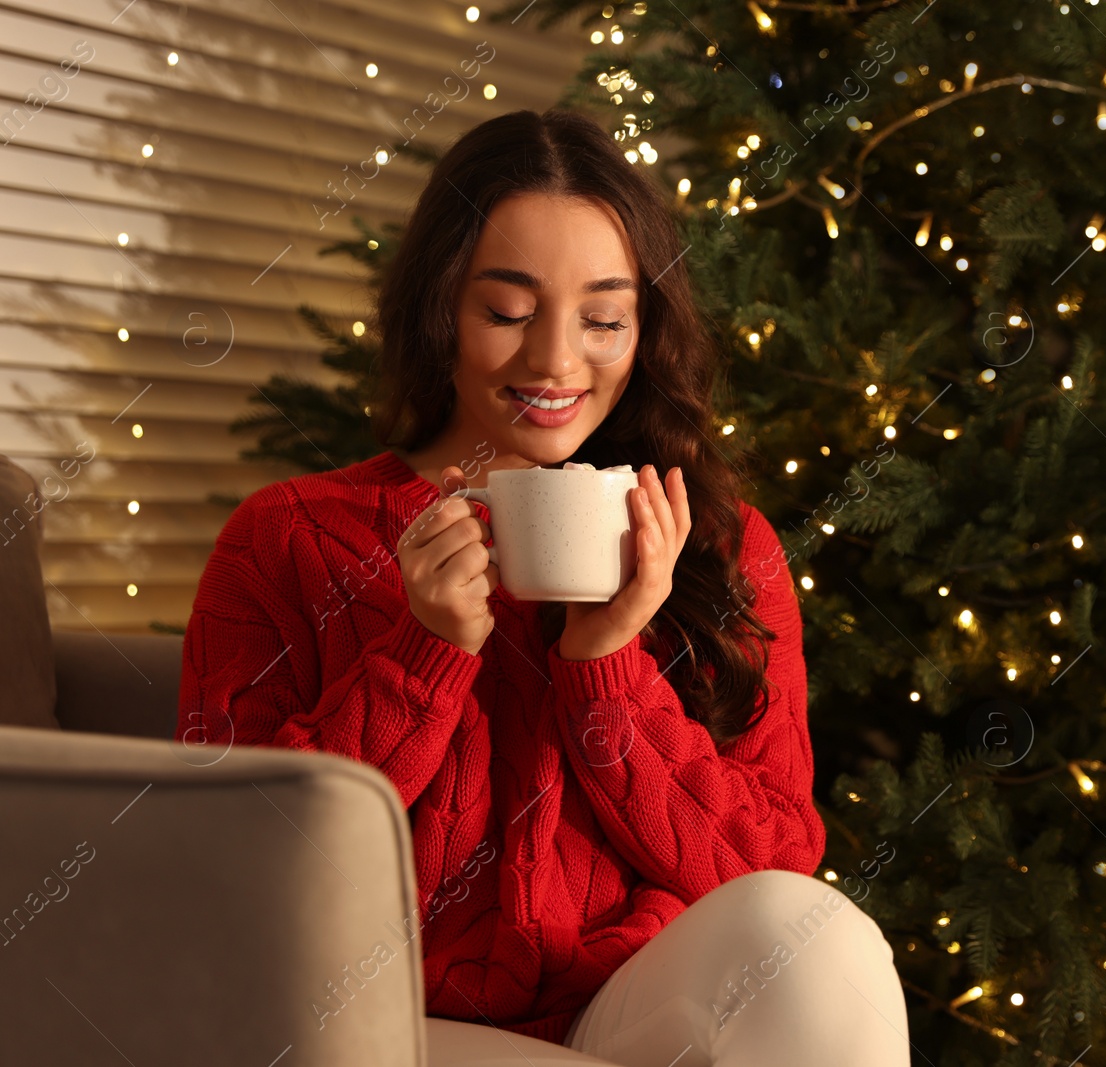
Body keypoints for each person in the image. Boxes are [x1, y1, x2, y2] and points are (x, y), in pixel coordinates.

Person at [177, 109, 910, 1066]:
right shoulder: (286, 539)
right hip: (377, 1027)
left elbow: (768, 867)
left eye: (603, 319)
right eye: (509, 312)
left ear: (643, 332)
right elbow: (228, 867)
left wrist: (605, 667)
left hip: (628, 1012)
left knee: (816, 938)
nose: (557, 362)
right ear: (442, 308)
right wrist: (421, 654)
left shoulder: (719, 548)